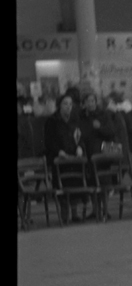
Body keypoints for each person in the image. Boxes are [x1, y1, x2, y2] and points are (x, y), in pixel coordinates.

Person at [44, 94, 90, 223]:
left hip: (73, 158)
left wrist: (80, 147)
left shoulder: (75, 120)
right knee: (62, 184)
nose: (68, 107)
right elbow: (49, 141)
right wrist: (59, 152)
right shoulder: (52, 121)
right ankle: (64, 215)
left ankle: (75, 213)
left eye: (70, 104)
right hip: (59, 158)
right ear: (59, 105)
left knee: (75, 181)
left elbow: (79, 137)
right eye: (65, 104)